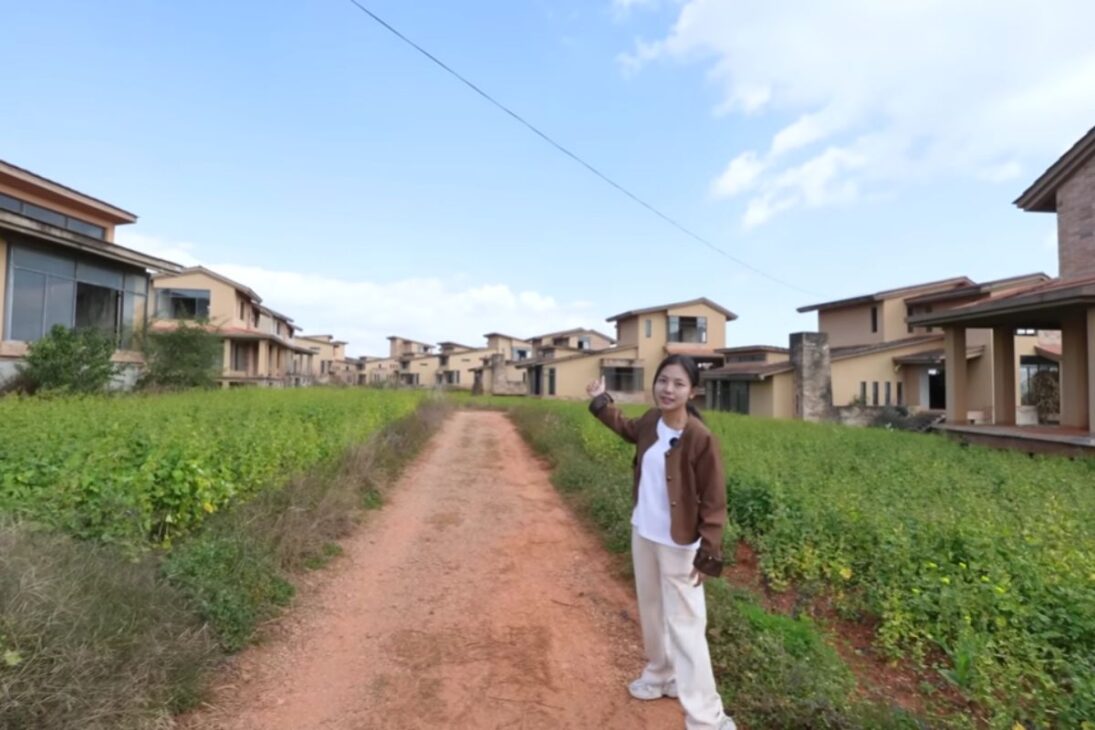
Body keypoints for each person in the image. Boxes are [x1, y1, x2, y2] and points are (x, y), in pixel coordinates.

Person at [587, 354, 735, 730]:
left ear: (692, 391)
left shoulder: (700, 438)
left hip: (679, 544)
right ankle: (661, 676)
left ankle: (707, 717)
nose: (668, 389)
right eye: (663, 380)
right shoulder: (652, 421)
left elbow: (716, 500)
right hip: (644, 533)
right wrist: (602, 402)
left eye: (678, 384)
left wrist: (709, 551)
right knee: (652, 612)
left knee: (686, 627)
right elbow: (627, 428)